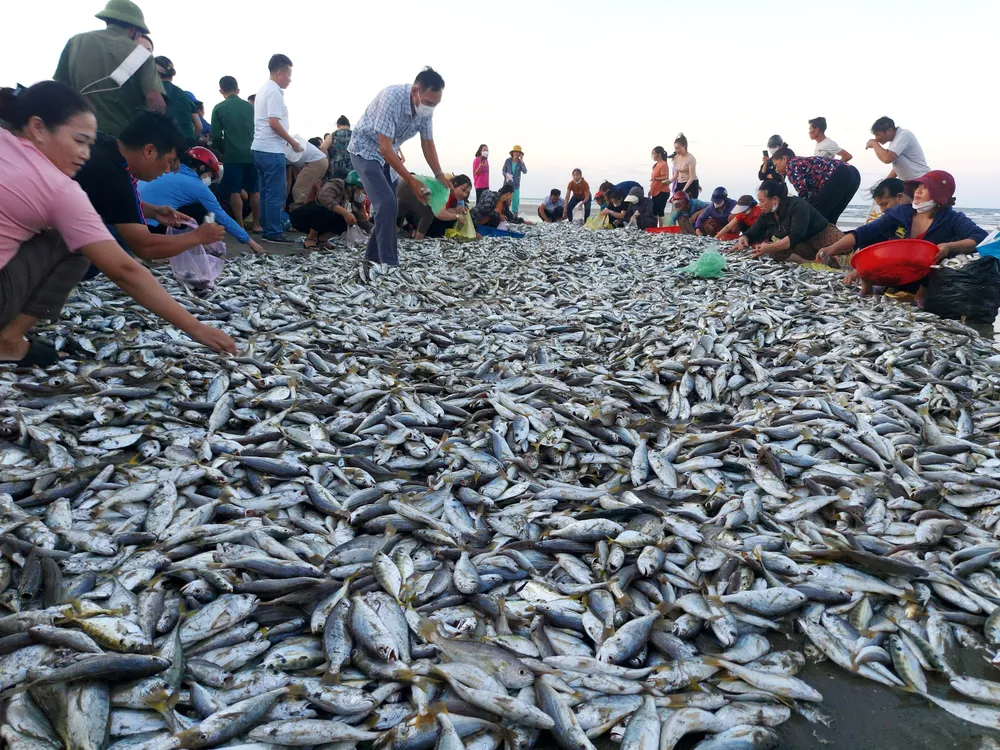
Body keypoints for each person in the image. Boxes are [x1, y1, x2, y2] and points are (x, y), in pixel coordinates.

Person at [0, 81, 234, 366]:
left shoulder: (11, 141)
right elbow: (132, 262)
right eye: (79, 141)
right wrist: (197, 328)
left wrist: (150, 210)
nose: (85, 154)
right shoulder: (67, 187)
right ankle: (9, 341)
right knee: (78, 243)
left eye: (88, 143)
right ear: (37, 128)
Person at [74, 111, 227, 263]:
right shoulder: (115, 175)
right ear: (149, 151)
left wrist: (153, 212)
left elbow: (114, 202)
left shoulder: (104, 144)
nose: (167, 170)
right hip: (60, 241)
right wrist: (197, 237)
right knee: (114, 243)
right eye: (169, 161)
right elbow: (144, 247)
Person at [348, 67, 453, 273]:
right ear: (415, 91)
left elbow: (427, 144)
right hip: (365, 150)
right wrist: (412, 181)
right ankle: (390, 265)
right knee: (386, 203)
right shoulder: (391, 98)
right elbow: (384, 147)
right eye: (429, 102)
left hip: (389, 155)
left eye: (435, 104)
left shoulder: (425, 112)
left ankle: (371, 259)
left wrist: (439, 174)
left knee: (390, 207)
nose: (431, 108)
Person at [817, 170, 987, 296]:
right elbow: (864, 232)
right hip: (896, 273)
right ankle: (869, 287)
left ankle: (918, 298)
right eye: (918, 187)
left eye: (926, 188)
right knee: (870, 247)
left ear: (939, 195)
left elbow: (980, 238)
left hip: (929, 281)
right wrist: (832, 248)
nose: (918, 191)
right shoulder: (902, 212)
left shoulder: (953, 218)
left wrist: (949, 247)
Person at [54, 0, 166, 137]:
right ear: (134, 29)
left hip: (77, 133)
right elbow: (154, 99)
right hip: (118, 138)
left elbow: (59, 87)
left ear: (108, 20)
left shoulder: (76, 41)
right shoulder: (140, 54)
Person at [136, 146, 264, 252]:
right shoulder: (197, 186)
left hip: (135, 225)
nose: (210, 180)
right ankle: (179, 245)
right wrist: (251, 242)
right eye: (211, 175)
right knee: (204, 209)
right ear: (202, 168)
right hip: (154, 229)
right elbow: (222, 217)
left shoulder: (168, 171)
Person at [251, 54, 301, 244]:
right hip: (271, 149)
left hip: (259, 147)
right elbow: (274, 122)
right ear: (280, 73)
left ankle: (267, 228)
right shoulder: (274, 92)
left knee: (265, 192)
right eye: (288, 75)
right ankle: (273, 231)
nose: (290, 79)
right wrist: (292, 142)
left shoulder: (263, 90)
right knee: (275, 193)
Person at [732, 180, 845, 263]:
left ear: (774, 199)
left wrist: (772, 246)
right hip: (802, 245)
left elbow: (797, 234)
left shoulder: (797, 205)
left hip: (821, 235)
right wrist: (744, 238)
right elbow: (754, 231)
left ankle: (830, 259)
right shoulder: (767, 214)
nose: (760, 205)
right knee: (775, 253)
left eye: (762, 201)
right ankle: (811, 262)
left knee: (848, 246)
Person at [211, 76, 260, 233]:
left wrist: (224, 150)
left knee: (235, 191)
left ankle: (239, 226)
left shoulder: (219, 108)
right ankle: (257, 224)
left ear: (221, 91)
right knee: (255, 190)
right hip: (253, 153)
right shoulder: (251, 108)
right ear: (237, 89)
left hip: (232, 154)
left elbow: (216, 135)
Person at [769, 146, 862, 225]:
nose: (776, 170)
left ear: (784, 159)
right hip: (854, 173)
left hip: (839, 174)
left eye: (776, 165)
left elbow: (804, 194)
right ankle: (833, 237)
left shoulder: (791, 166)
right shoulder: (802, 162)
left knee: (817, 215)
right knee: (832, 215)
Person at [289, 170, 372, 250]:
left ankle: (322, 240)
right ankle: (311, 238)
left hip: (317, 220)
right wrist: (345, 213)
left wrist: (374, 231)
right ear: (354, 187)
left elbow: (361, 220)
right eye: (362, 190)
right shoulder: (336, 184)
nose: (363, 194)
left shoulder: (353, 199)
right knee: (325, 209)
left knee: (348, 220)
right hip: (300, 216)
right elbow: (324, 198)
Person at [398, 174, 473, 238]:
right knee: (428, 213)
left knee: (399, 211)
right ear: (455, 184)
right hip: (408, 185)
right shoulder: (445, 189)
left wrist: (455, 210)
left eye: (467, 192)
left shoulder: (455, 197)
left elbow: (442, 210)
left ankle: (402, 228)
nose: (464, 194)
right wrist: (457, 216)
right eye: (463, 190)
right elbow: (439, 214)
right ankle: (418, 239)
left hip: (407, 185)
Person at [153, 56, 200, 145]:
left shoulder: (152, 94)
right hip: (187, 143)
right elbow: (199, 126)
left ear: (155, 73)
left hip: (165, 143)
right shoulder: (185, 95)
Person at [867, 117, 930, 181]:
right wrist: (885, 182)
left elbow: (887, 158)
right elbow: (898, 167)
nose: (876, 139)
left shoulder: (904, 135)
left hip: (923, 180)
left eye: (878, 135)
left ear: (889, 130)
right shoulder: (894, 142)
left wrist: (874, 143)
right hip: (912, 182)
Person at [288, 139, 329, 211]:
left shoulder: (277, 148)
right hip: (320, 160)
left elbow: (287, 180)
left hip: (315, 161)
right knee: (311, 191)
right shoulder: (285, 143)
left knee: (298, 190)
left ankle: (302, 214)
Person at [669, 134, 699, 198]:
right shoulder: (676, 158)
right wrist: (668, 182)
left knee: (688, 202)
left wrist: (683, 191)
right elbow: (676, 174)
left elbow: (692, 177)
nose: (677, 150)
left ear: (684, 146)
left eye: (679, 148)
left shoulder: (691, 158)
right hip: (680, 183)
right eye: (676, 148)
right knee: (676, 200)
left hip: (691, 184)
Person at [502, 146, 528, 216]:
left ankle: (515, 217)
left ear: (520, 154)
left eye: (518, 152)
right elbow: (503, 171)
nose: (516, 153)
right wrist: (506, 175)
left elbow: (525, 171)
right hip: (507, 184)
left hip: (516, 186)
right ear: (512, 153)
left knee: (515, 203)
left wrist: (522, 161)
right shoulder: (508, 161)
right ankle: (505, 216)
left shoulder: (520, 162)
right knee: (506, 202)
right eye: (515, 152)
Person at [649, 146, 671, 225]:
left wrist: (656, 179)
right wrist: (650, 189)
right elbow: (653, 179)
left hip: (662, 191)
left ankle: (661, 227)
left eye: (654, 153)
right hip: (655, 191)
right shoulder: (656, 165)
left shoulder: (663, 164)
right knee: (654, 210)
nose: (653, 155)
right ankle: (655, 226)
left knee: (660, 211)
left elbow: (665, 177)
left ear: (659, 154)